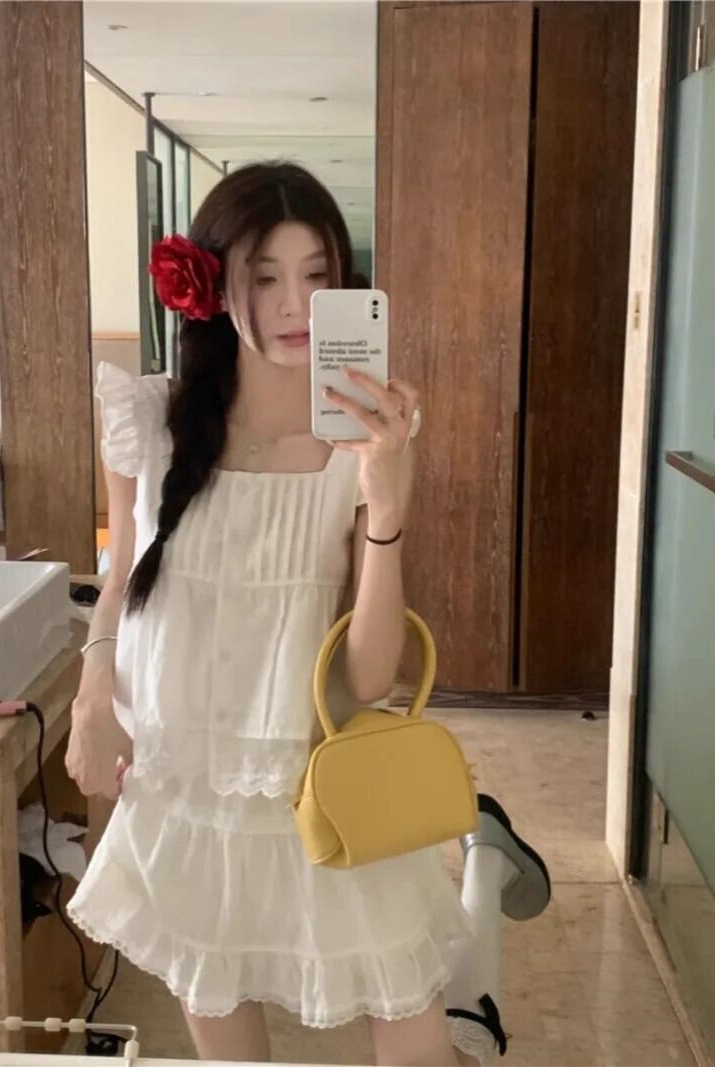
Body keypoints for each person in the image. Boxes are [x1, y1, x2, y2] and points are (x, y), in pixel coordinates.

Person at [65, 162, 549, 1066]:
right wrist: (94, 693)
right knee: (226, 1029)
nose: (296, 303)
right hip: (185, 779)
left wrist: (387, 502)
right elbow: (120, 574)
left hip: (318, 775)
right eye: (265, 275)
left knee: (418, 1042)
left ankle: (483, 879)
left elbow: (367, 676)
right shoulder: (149, 420)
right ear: (215, 287)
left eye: (318, 273)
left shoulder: (362, 443)